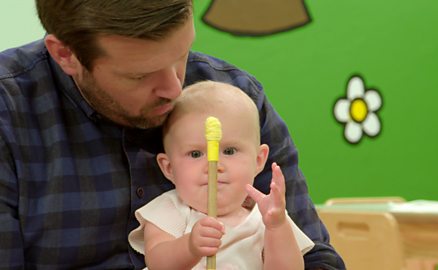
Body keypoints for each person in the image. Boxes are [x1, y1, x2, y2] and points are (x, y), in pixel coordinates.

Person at [0, 1, 345, 269]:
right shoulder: (9, 110)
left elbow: (317, 257)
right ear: (65, 54)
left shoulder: (233, 96)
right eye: (140, 76)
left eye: (181, 55)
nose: (174, 87)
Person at [129, 81, 315, 269]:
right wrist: (190, 247)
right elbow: (157, 263)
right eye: (195, 154)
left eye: (230, 151)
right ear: (169, 168)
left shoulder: (265, 217)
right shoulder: (170, 210)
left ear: (258, 160)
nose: (214, 165)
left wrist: (277, 227)